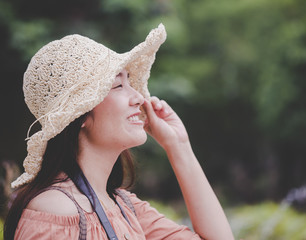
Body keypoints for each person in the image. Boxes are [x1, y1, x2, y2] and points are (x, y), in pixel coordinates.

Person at [4, 24, 234, 240]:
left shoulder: (123, 206)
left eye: (130, 84)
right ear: (80, 115)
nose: (139, 98)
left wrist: (179, 146)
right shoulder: (57, 211)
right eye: (118, 86)